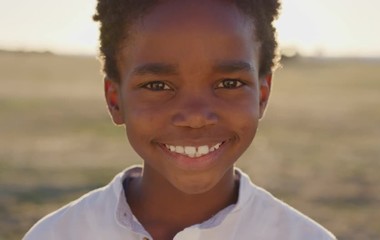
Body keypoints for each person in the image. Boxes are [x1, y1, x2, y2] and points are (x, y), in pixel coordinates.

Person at [24, 0, 336, 239]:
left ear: (262, 95)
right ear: (115, 99)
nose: (196, 117)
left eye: (229, 83)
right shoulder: (57, 234)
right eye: (157, 86)